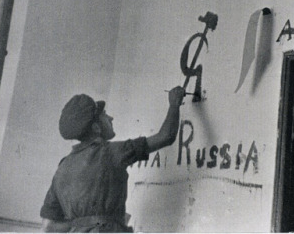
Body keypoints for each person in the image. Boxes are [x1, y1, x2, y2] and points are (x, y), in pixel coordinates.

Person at [40, 86, 185, 232]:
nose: (110, 117)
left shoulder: (63, 167)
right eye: (104, 114)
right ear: (96, 127)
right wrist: (174, 104)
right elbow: (166, 136)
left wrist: (82, 224)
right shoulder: (110, 152)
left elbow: (48, 227)